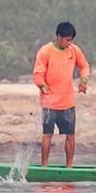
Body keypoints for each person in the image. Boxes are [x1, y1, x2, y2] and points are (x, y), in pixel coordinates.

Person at [33, 21, 90, 167]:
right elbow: (38, 74)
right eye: (67, 40)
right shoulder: (45, 51)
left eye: (71, 40)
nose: (69, 43)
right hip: (49, 102)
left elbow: (84, 66)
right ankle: (44, 166)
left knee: (70, 135)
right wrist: (42, 85)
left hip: (67, 102)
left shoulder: (74, 50)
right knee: (47, 134)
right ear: (58, 36)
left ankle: (69, 166)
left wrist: (83, 81)